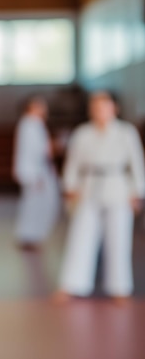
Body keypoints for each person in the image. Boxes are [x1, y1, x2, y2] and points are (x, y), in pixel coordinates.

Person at [53, 90, 145, 304]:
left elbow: (137, 163)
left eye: (103, 106)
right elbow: (73, 163)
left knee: (118, 238)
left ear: (114, 108)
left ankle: (120, 288)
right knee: (80, 236)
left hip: (118, 187)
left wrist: (137, 192)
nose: (99, 111)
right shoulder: (82, 133)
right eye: (95, 107)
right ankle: (72, 284)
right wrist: (70, 186)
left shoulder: (126, 132)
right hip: (88, 187)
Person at [12, 95, 61, 251]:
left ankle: (35, 236)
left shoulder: (35, 124)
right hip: (35, 172)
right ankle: (29, 236)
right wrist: (35, 175)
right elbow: (34, 152)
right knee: (33, 205)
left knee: (41, 205)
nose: (44, 109)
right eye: (40, 106)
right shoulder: (29, 124)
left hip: (40, 171)